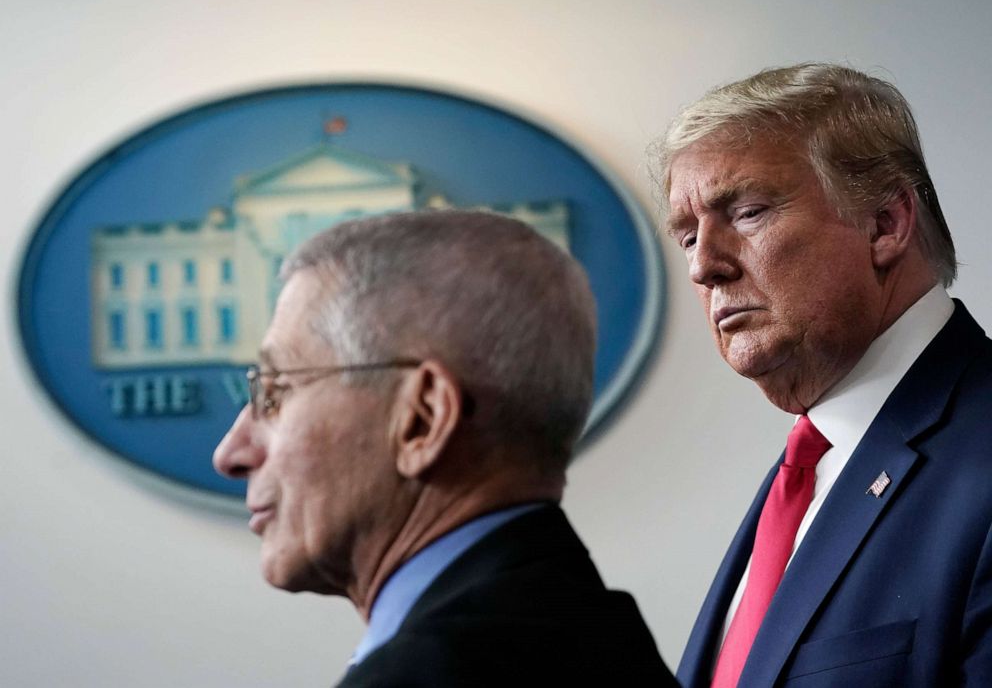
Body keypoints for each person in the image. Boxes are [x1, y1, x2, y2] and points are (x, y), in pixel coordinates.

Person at [213, 209, 677, 687]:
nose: (230, 454)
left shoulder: (429, 676)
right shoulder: (591, 633)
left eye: (273, 392)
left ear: (422, 420)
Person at [654, 63, 992, 687]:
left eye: (748, 212)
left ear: (885, 224)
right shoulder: (816, 464)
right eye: (685, 236)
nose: (704, 266)